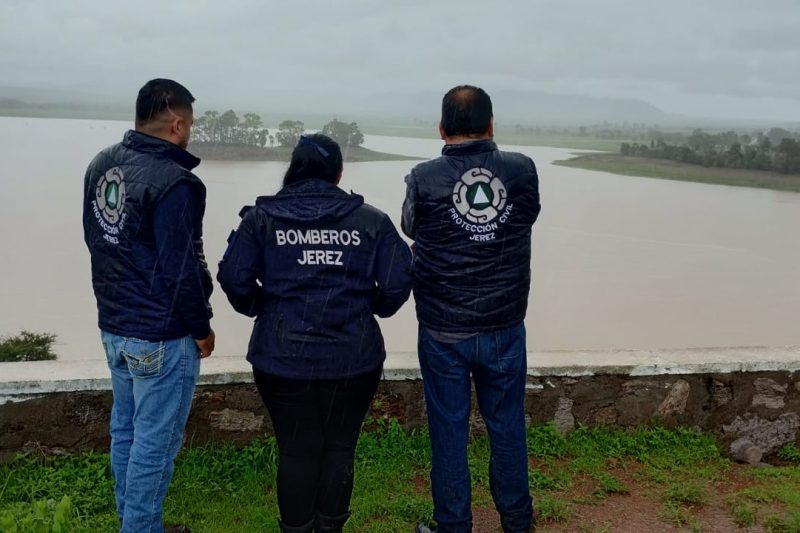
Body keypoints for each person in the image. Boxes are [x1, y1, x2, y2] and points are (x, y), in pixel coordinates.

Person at [217, 133, 412, 533]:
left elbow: (234, 278)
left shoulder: (261, 219)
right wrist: (366, 310)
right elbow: (397, 284)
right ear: (339, 173)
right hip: (353, 359)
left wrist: (263, 308)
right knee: (340, 447)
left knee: (296, 450)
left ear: (295, 169)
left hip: (282, 357)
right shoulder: (370, 221)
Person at [402, 85, 541, 533]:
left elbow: (410, 226)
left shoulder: (424, 178)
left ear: (442, 128)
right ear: (491, 125)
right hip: (504, 324)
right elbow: (527, 214)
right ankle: (518, 522)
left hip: (443, 329)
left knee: (449, 430)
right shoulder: (521, 171)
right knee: (507, 426)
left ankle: (452, 525)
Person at [82, 78, 215, 533]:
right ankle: (139, 528)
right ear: (177, 124)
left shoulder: (101, 165)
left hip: (115, 325)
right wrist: (201, 327)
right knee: (154, 445)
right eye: (189, 125)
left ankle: (135, 521)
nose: (190, 132)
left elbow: (97, 241)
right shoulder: (176, 183)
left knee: (127, 432)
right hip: (161, 333)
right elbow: (180, 267)